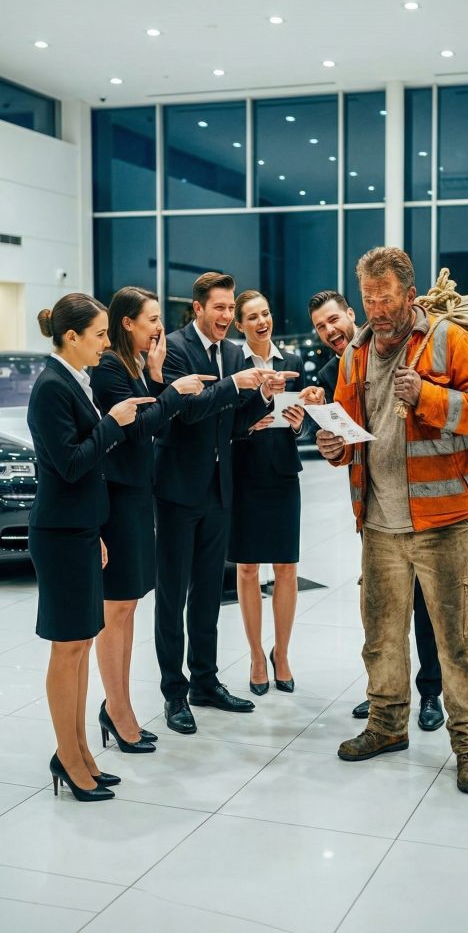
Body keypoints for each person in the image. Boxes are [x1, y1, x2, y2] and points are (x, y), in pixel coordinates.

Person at [316, 248, 468, 795]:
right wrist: (334, 447)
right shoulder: (355, 354)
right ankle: (386, 725)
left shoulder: (448, 340)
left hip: (443, 523)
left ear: (409, 295)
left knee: (458, 642)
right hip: (378, 524)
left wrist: (427, 395)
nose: (376, 310)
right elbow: (351, 432)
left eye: (386, 299)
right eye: (368, 299)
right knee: (380, 637)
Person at [154, 272, 299, 735]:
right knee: (173, 595)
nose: (225, 315)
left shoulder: (233, 354)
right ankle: (174, 692)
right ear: (198, 308)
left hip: (220, 489)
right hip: (178, 490)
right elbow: (186, 411)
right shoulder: (176, 349)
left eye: (229, 307)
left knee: (207, 594)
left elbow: (235, 422)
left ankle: (204, 681)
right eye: (219, 307)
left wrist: (265, 398)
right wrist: (237, 385)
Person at [27, 293, 154, 802]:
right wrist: (112, 423)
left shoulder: (72, 381)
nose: (106, 343)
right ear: (71, 336)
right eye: (100, 334)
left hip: (79, 528)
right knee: (67, 648)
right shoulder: (51, 387)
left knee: (80, 645)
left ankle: (79, 751)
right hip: (59, 534)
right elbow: (72, 464)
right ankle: (68, 754)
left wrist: (97, 529)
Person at [306, 290, 444, 731]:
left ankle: (430, 693)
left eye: (334, 320)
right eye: (320, 327)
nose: (330, 331)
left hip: (421, 500)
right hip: (375, 506)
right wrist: (317, 416)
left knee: (426, 603)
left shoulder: (398, 348)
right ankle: (386, 695)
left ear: (352, 314)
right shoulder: (333, 371)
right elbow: (338, 444)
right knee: (383, 607)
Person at [90, 286, 215, 754]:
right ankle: (117, 708)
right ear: (128, 323)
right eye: (152, 319)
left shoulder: (135, 366)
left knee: (128, 607)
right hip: (117, 499)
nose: (159, 327)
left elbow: (157, 423)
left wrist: (159, 377)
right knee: (116, 610)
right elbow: (139, 427)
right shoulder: (109, 369)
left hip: (138, 496)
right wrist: (173, 389)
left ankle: (119, 706)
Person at [229, 290, 305, 695]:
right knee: (247, 569)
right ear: (240, 324)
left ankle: (283, 654)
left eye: (266, 313)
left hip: (282, 474)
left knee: (286, 568)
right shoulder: (232, 363)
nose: (262, 322)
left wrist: (298, 423)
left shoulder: (291, 362)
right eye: (253, 317)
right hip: (244, 475)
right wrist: (247, 424)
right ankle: (257, 655)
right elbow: (225, 420)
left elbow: (304, 422)